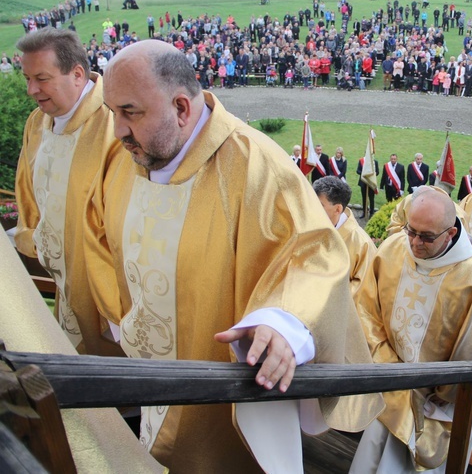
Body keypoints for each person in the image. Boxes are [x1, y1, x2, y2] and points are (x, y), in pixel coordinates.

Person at [85, 40, 382, 472]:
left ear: (182, 108)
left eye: (131, 112)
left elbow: (312, 253)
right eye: (113, 113)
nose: (118, 131)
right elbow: (97, 223)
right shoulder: (123, 156)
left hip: (228, 387)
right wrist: (118, 313)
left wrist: (282, 321)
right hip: (150, 368)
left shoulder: (256, 164)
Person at [350, 188, 472, 473]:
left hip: (436, 404)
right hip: (388, 384)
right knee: (376, 453)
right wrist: (387, 366)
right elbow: (367, 309)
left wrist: (435, 393)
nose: (415, 243)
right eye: (411, 230)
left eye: (427, 237)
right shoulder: (393, 248)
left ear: (451, 233)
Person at [14, 28, 123, 358]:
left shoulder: (115, 124)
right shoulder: (37, 122)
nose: (32, 90)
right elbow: (27, 193)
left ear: (77, 74)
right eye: (27, 78)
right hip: (62, 277)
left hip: (110, 288)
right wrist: (33, 239)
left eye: (42, 79)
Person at [313, 176, 376, 299]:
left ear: (338, 209)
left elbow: (363, 291)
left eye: (320, 205)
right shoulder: (308, 227)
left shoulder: (362, 244)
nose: (312, 208)